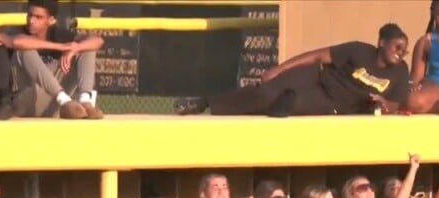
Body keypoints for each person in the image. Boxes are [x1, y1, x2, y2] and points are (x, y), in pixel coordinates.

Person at [174, 23, 410, 117]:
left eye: (404, 50)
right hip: (316, 77)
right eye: (397, 46)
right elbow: (317, 56)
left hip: (333, 103)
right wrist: (277, 70)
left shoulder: (400, 72)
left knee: (286, 106)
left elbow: (398, 103)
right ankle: (205, 103)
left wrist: (386, 104)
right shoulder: (359, 50)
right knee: (265, 92)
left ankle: (283, 101)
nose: (401, 52)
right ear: (382, 43)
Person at [0, 0, 104, 119]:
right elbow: (17, 42)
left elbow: (98, 41)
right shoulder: (18, 32)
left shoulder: (59, 34)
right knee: (24, 49)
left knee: (86, 48)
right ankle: (64, 100)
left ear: (51, 20)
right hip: (26, 101)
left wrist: (75, 48)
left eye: (38, 17)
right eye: (30, 15)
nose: (31, 21)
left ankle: (85, 101)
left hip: (52, 104)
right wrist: (62, 47)